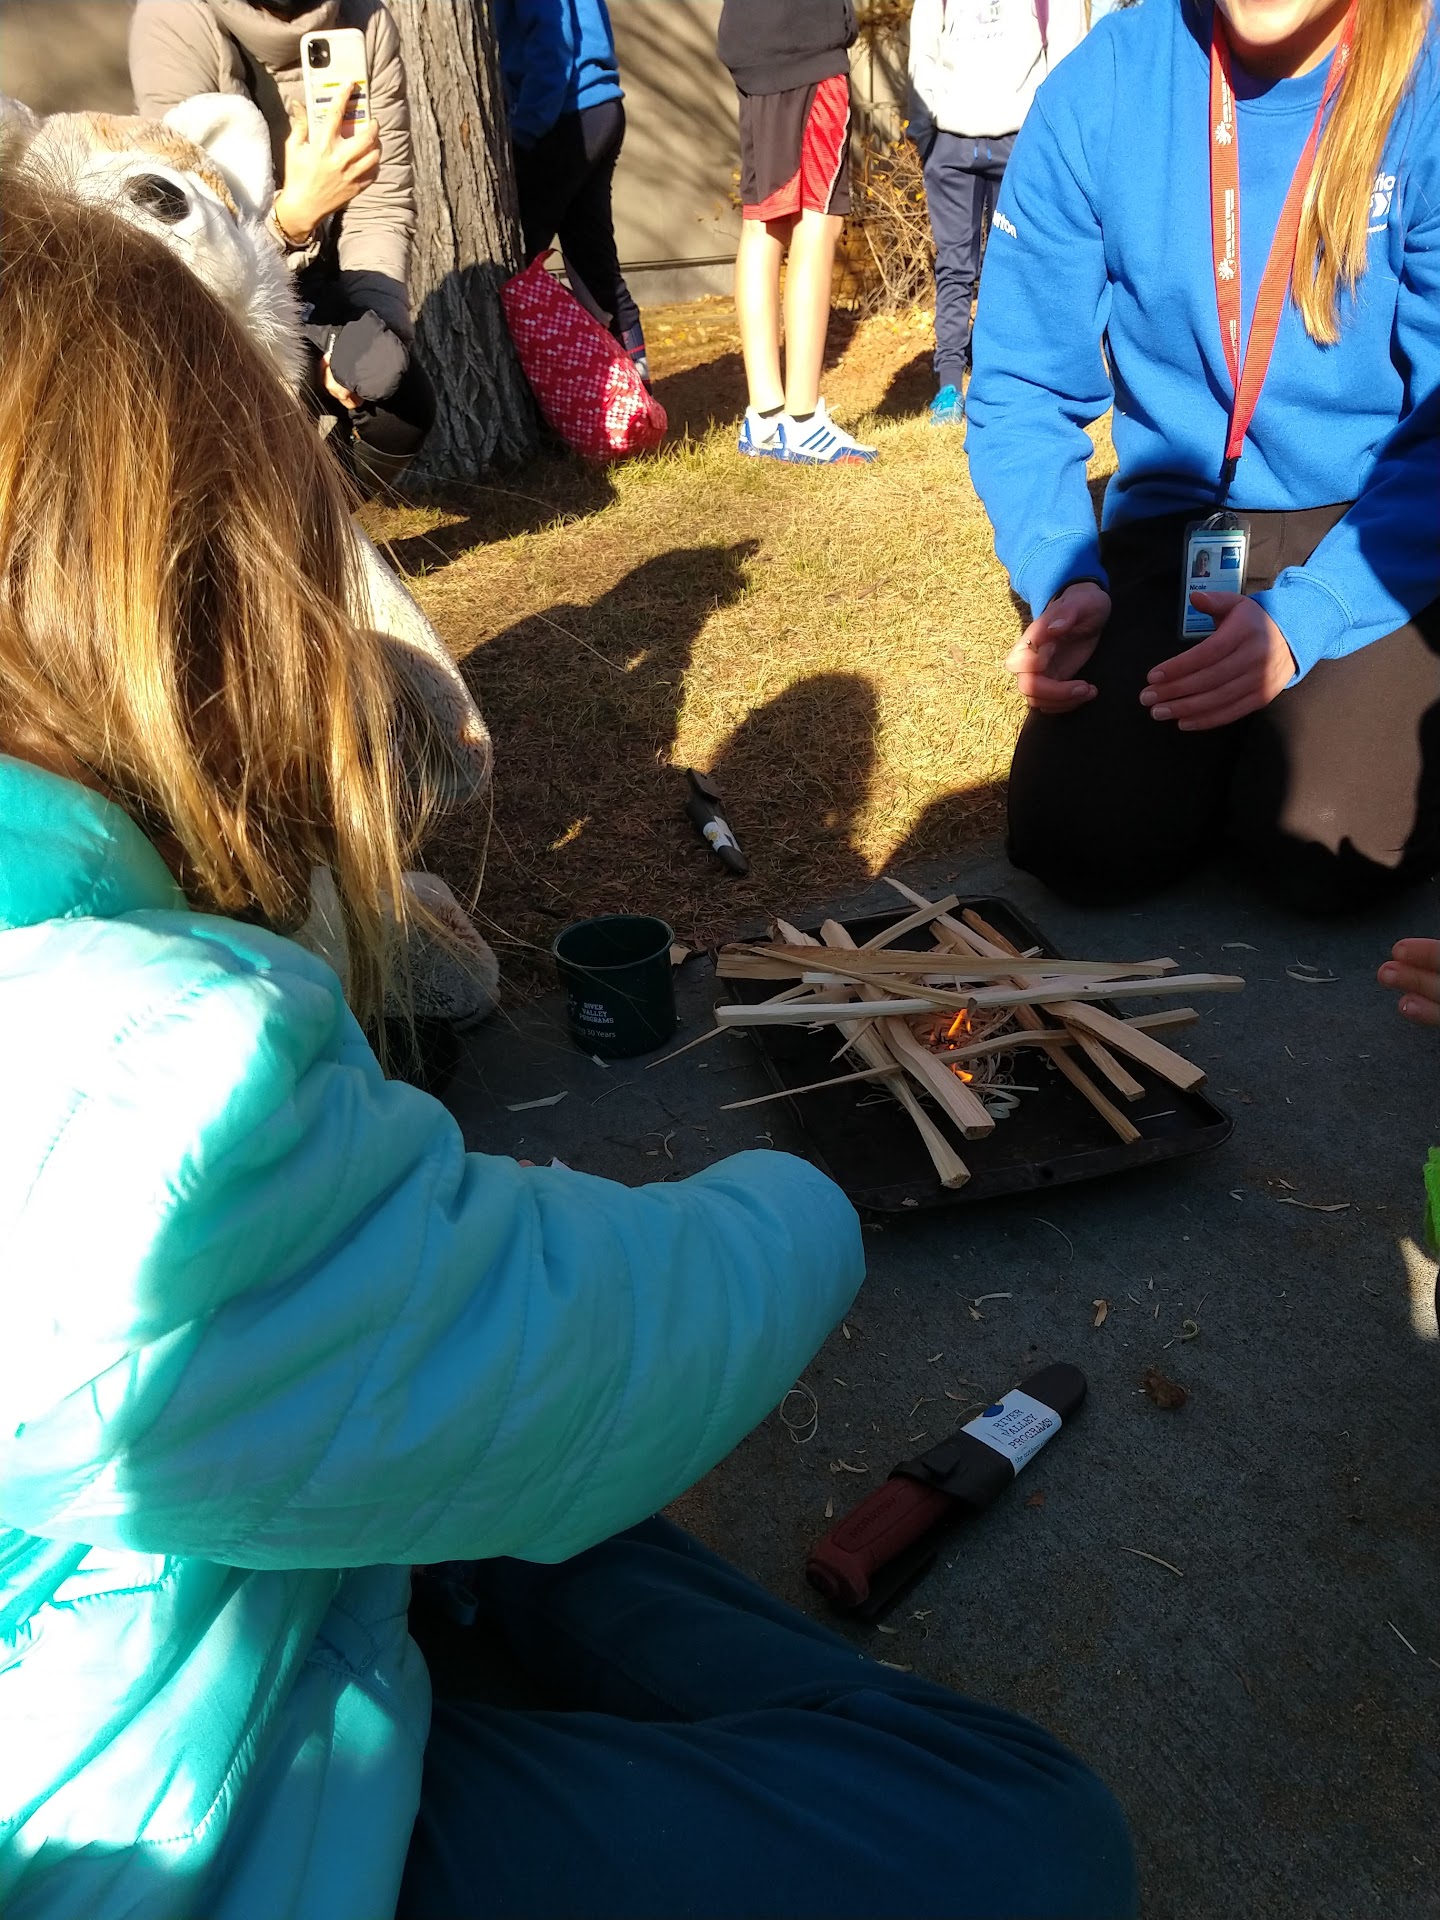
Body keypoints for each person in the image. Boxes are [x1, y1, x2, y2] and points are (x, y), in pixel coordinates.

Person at [0, 166, 1138, 1920]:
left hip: (145, 1664)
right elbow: (618, 1346)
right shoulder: (127, 1063)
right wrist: (806, 1199)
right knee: (1020, 1842)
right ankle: (468, 1537)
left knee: (435, 1420)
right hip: (192, 1847)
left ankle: (446, 1522)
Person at [966, 0, 1440, 914]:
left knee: (1328, 846)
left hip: (1377, 529)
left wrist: (1314, 616)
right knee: (1080, 839)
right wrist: (1060, 567)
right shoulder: (1108, 80)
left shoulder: (1426, 84)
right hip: (1186, 527)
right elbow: (1022, 382)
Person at [130, 0, 433, 492]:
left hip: (314, 279)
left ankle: (313, 524)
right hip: (217, 294)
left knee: (394, 392)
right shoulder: (174, 18)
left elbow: (381, 202)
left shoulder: (365, 19)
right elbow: (187, 240)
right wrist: (292, 219)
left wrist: (370, 330)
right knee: (228, 411)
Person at [906, 0, 1088, 427]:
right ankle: (950, 387)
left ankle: (1014, 382)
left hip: (1022, 143)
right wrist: (926, 137)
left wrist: (1050, 141)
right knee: (955, 266)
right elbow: (922, 56)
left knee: (1021, 267)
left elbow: (1066, 61)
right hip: (950, 145)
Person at [718, 0, 878, 463]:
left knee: (762, 221)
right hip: (804, 39)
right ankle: (803, 421)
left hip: (750, 45)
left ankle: (765, 416)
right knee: (818, 219)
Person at [495, 0, 649, 384]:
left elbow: (552, 46)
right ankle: (635, 389)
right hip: (598, 108)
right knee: (592, 261)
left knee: (511, 263)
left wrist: (523, 132)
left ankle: (541, 390)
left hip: (563, 116)